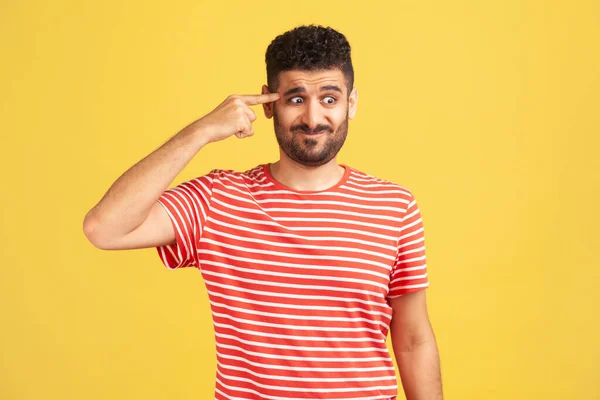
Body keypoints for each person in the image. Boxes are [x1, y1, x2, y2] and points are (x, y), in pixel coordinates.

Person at [83, 24, 443, 400]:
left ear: (351, 102)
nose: (313, 119)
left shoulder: (393, 206)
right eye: (296, 99)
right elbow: (104, 228)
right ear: (269, 103)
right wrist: (201, 131)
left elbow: (414, 340)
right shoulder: (217, 200)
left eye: (330, 99)